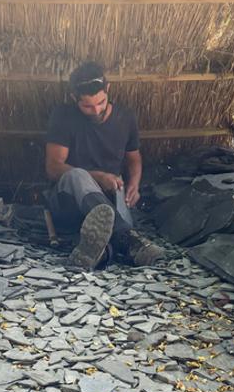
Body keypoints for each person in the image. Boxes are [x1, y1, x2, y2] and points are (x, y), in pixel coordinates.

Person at [45, 61, 164, 269]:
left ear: (108, 89)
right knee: (78, 176)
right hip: (68, 201)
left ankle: (101, 251)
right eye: (87, 106)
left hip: (110, 195)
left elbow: (133, 157)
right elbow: (54, 167)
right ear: (74, 98)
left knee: (116, 197)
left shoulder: (125, 117)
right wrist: (98, 177)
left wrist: (134, 184)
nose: (96, 110)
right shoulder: (63, 116)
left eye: (101, 102)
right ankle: (130, 242)